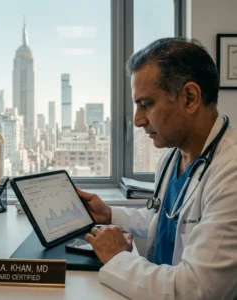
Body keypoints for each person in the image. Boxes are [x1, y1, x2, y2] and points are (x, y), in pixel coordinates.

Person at [77, 37, 237, 299]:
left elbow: (194, 289)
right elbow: (165, 219)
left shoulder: (231, 171)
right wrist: (109, 215)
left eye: (146, 104)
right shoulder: (172, 156)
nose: (138, 120)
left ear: (190, 98)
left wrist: (117, 257)